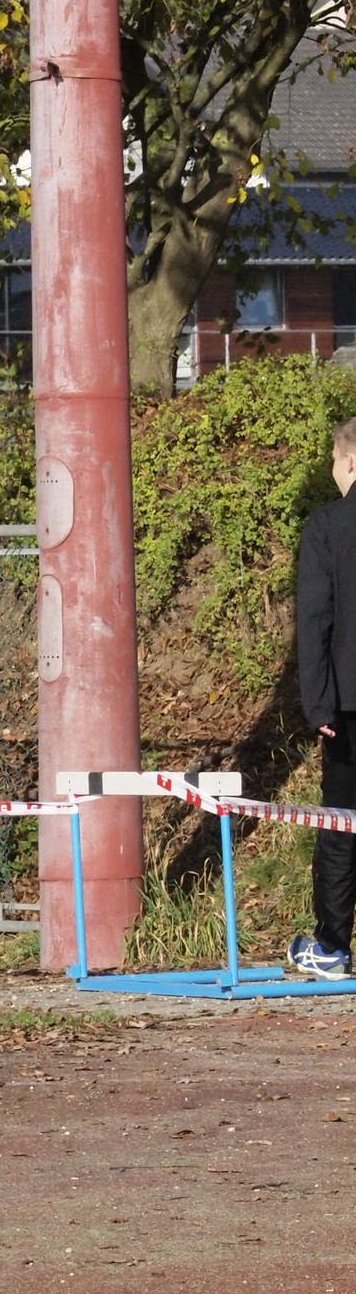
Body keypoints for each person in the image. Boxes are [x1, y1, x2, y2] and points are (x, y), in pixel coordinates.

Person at [290, 415, 356, 978]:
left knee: (342, 824)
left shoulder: (329, 526)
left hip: (350, 705)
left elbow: (315, 621)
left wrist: (318, 704)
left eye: (335, 461)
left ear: (350, 460)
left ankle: (332, 946)